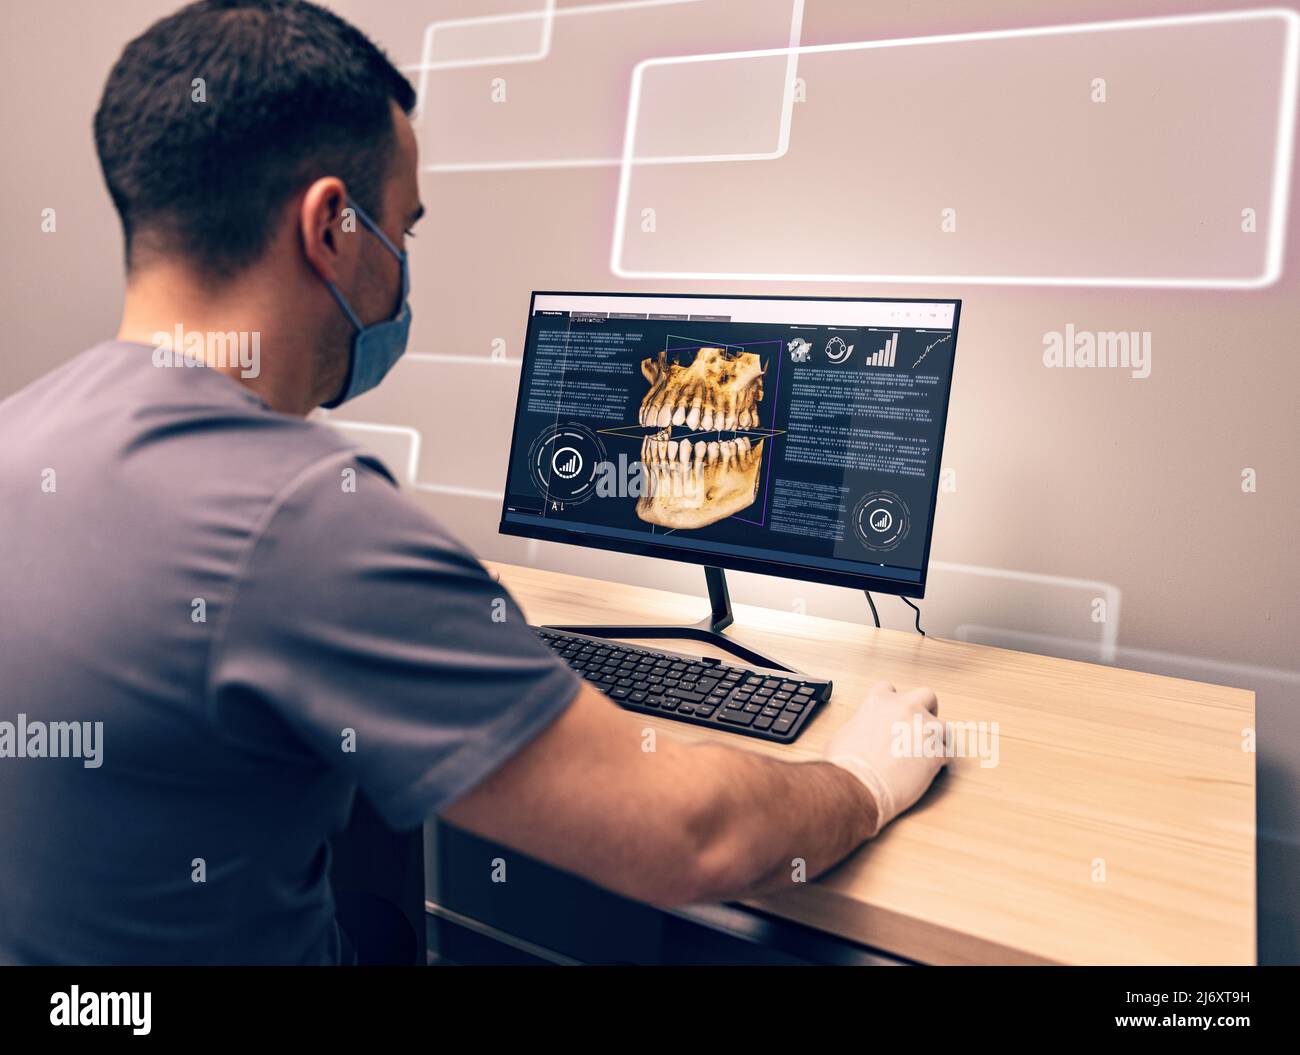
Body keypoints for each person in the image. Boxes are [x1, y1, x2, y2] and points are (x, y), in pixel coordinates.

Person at [0, 0, 946, 965]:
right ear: (332, 226)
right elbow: (688, 834)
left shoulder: (20, 438)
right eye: (402, 229)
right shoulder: (302, 520)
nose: (403, 268)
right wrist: (863, 776)